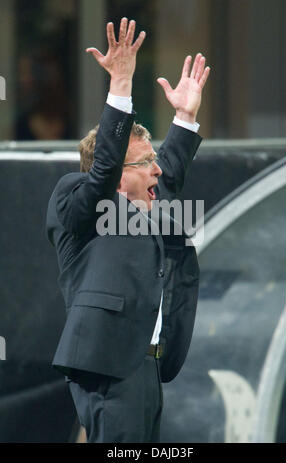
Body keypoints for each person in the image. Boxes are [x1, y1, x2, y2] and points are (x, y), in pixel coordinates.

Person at [46, 18, 210, 443]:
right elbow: (103, 175)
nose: (157, 168)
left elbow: (165, 174)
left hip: (147, 366)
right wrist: (120, 85)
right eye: (144, 162)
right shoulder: (77, 199)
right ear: (118, 174)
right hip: (109, 364)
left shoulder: (140, 207)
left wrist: (184, 116)